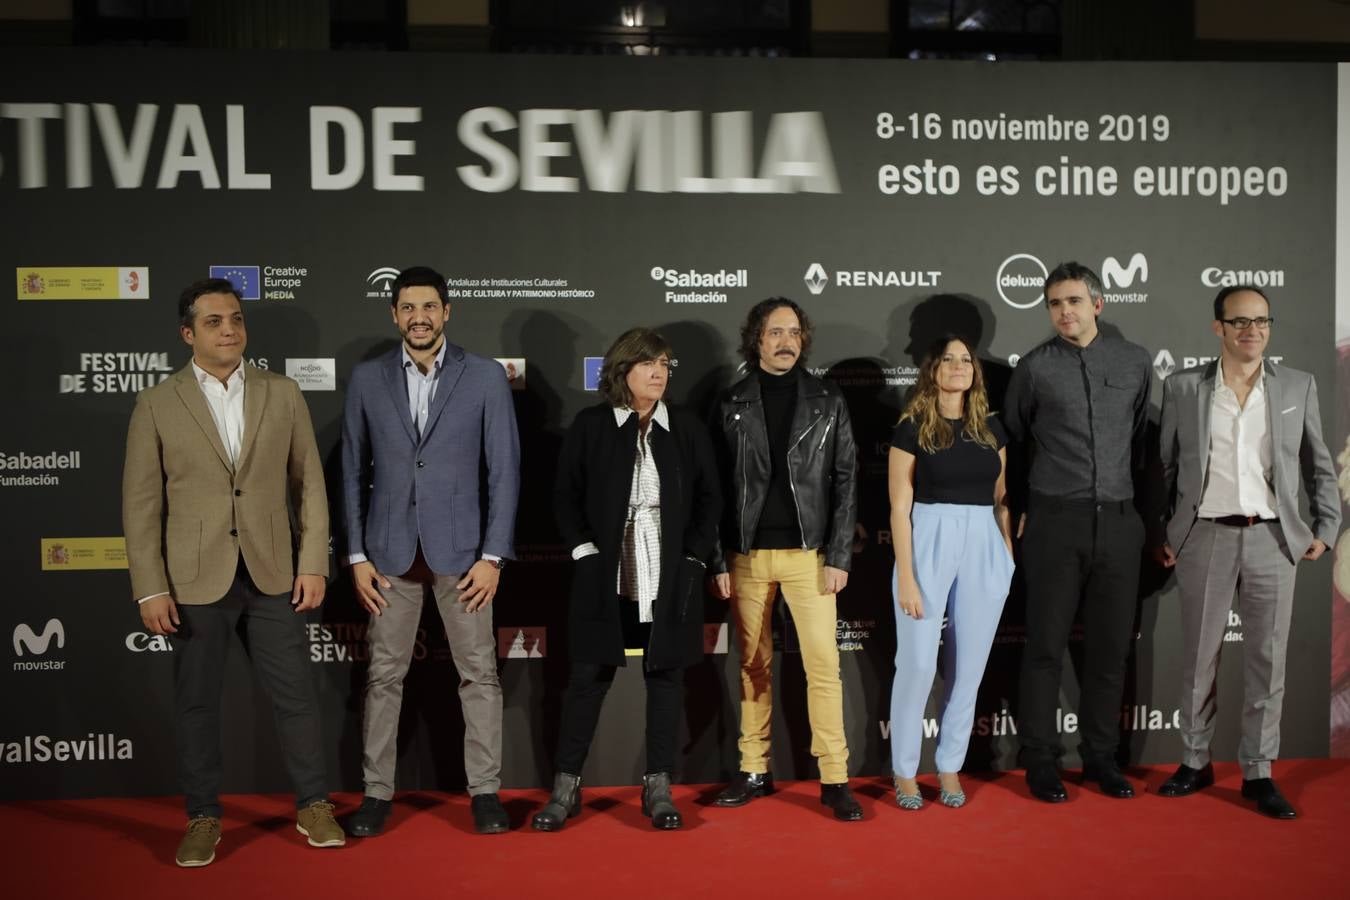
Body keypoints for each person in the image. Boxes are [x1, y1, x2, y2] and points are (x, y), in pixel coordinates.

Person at [122, 278, 343, 867]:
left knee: (296, 696)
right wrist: (151, 585)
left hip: (274, 571)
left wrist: (313, 562)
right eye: (215, 322)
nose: (229, 330)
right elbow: (142, 505)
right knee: (197, 703)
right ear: (187, 333)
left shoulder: (283, 391)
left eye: (236, 319)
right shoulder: (156, 403)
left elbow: (310, 487)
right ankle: (202, 816)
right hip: (195, 578)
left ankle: (314, 805)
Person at [341, 266, 520, 837]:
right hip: (388, 555)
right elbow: (350, 471)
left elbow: (505, 471)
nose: (419, 317)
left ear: (447, 312)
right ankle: (375, 794)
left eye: (429, 307)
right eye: (407, 307)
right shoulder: (368, 379)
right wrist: (356, 556)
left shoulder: (486, 377)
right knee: (384, 677)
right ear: (394, 315)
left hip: (466, 556)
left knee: (479, 676)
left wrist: (493, 555)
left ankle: (486, 792)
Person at [1154, 285, 1339, 818]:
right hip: (1204, 536)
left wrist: (1325, 526)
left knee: (1267, 660)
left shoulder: (1297, 386)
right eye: (1239, 322)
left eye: (1261, 321)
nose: (1252, 330)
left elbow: (1317, 464)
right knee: (1198, 660)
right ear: (1219, 328)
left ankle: (1258, 772)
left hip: (1272, 539)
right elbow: (1163, 469)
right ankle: (1194, 762)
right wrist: (1164, 534)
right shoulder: (1186, 388)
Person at [532, 328, 721, 831]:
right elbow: (564, 496)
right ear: (622, 371)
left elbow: (709, 500)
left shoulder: (686, 428)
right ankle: (565, 787)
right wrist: (585, 553)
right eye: (647, 364)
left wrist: (695, 559)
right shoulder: (592, 427)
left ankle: (658, 786)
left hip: (668, 572)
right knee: (587, 680)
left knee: (665, 679)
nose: (659, 372)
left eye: (664, 364)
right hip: (607, 572)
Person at [1002, 261, 1152, 803]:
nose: (1064, 311)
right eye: (1055, 304)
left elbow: (1138, 440)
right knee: (1044, 647)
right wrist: (1019, 509)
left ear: (1098, 303)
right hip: (1053, 522)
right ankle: (1041, 761)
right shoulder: (1035, 369)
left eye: (1073, 301)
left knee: (1111, 651)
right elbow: (1015, 442)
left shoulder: (1135, 361)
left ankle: (1101, 759)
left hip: (1118, 522)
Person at [710, 297, 863, 821]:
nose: (786, 342)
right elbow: (714, 490)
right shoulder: (731, 401)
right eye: (775, 332)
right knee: (753, 665)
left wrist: (839, 553)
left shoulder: (828, 400)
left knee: (824, 667)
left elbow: (846, 480)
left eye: (794, 332)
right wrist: (717, 560)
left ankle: (835, 777)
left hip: (810, 558)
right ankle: (754, 768)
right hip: (747, 558)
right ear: (757, 339)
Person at [888, 336, 1014, 809]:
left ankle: (949, 766)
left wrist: (1006, 554)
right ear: (932, 370)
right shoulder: (913, 426)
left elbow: (1002, 497)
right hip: (929, 538)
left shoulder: (992, 429)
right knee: (918, 664)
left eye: (966, 360)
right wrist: (906, 575)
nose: (959, 367)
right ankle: (903, 769)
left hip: (983, 542)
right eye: (948, 359)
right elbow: (900, 507)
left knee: (969, 668)